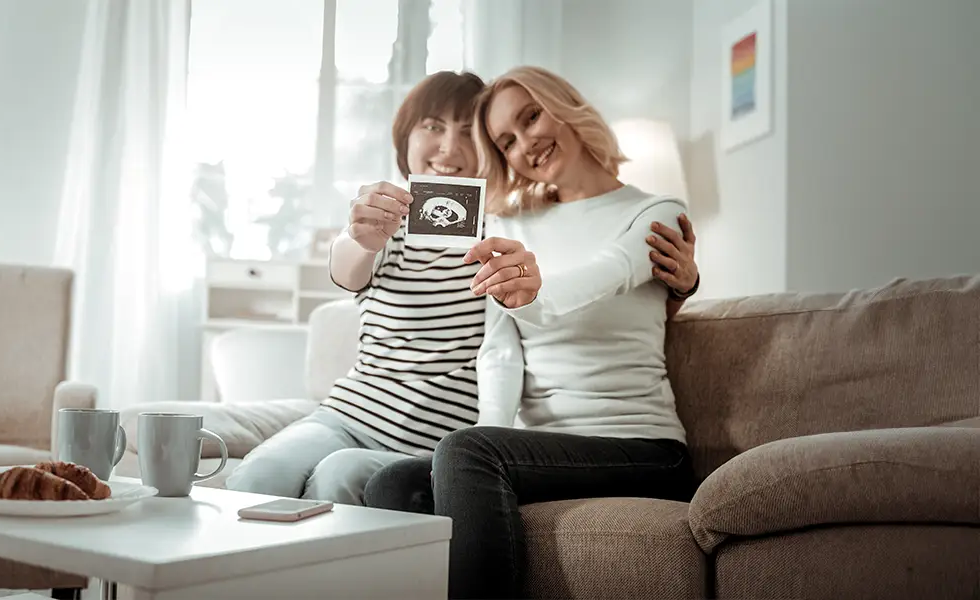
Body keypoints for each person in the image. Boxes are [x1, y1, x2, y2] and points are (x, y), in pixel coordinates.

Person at [225, 70, 699, 507]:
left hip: (441, 436)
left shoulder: (505, 231)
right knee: (259, 474)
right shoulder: (391, 224)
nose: (449, 148)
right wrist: (357, 238)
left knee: (337, 478)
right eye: (432, 126)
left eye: (468, 132)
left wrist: (679, 288)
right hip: (352, 414)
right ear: (405, 138)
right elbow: (347, 271)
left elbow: (591, 283)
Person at [363, 66, 700, 600]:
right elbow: (499, 352)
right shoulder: (512, 225)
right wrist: (478, 441)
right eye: (507, 141)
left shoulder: (656, 211)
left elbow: (611, 271)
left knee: (466, 454)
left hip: (642, 448)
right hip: (542, 449)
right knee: (391, 483)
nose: (527, 143)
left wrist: (534, 292)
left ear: (564, 105)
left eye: (531, 117)